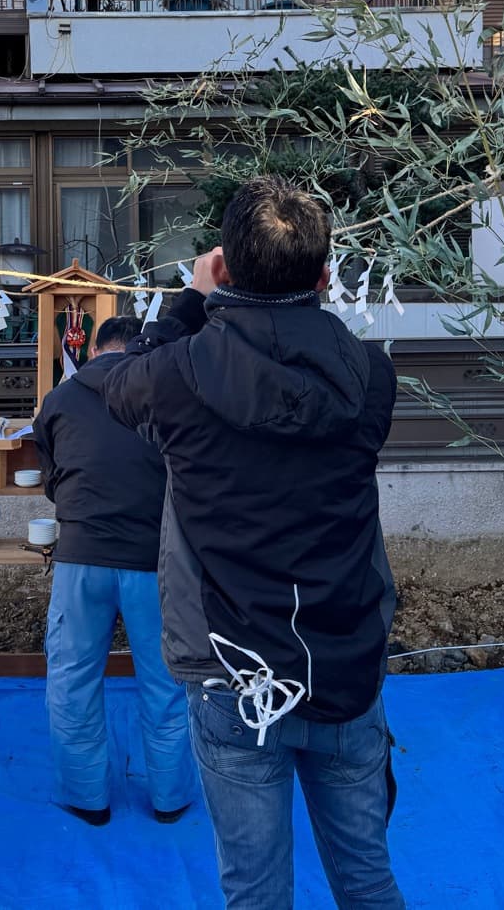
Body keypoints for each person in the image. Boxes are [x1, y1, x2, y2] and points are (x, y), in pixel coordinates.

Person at [104, 176, 403, 909]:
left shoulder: (178, 375)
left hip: (233, 671)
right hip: (342, 656)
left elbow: (114, 386)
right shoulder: (372, 376)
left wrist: (192, 299)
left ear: (225, 268)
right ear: (325, 277)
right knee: (366, 876)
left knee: (254, 888)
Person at [32, 314, 196, 827]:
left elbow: (52, 478)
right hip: (156, 560)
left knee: (73, 680)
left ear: (94, 350)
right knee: (167, 682)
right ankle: (170, 799)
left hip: (82, 556)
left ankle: (88, 799)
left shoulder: (59, 399)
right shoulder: (167, 395)